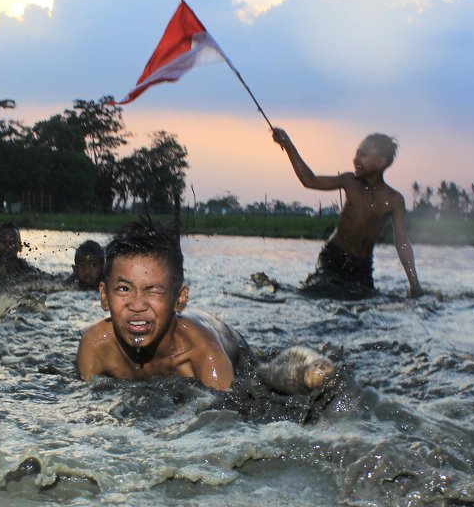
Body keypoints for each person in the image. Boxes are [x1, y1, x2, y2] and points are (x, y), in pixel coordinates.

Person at [77, 220, 333, 393]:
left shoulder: (202, 352)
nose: (137, 305)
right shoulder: (95, 345)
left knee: (260, 378)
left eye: (153, 289)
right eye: (123, 289)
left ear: (179, 298)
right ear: (103, 296)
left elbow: (227, 424)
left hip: (225, 338)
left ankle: (309, 366)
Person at [272, 128, 423, 298]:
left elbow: (402, 242)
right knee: (320, 291)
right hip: (333, 257)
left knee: (364, 300)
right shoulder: (349, 182)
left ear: (381, 162)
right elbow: (310, 180)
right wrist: (288, 145)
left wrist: (414, 285)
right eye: (357, 153)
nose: (356, 159)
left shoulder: (394, 200)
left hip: (362, 267)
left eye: (363, 155)